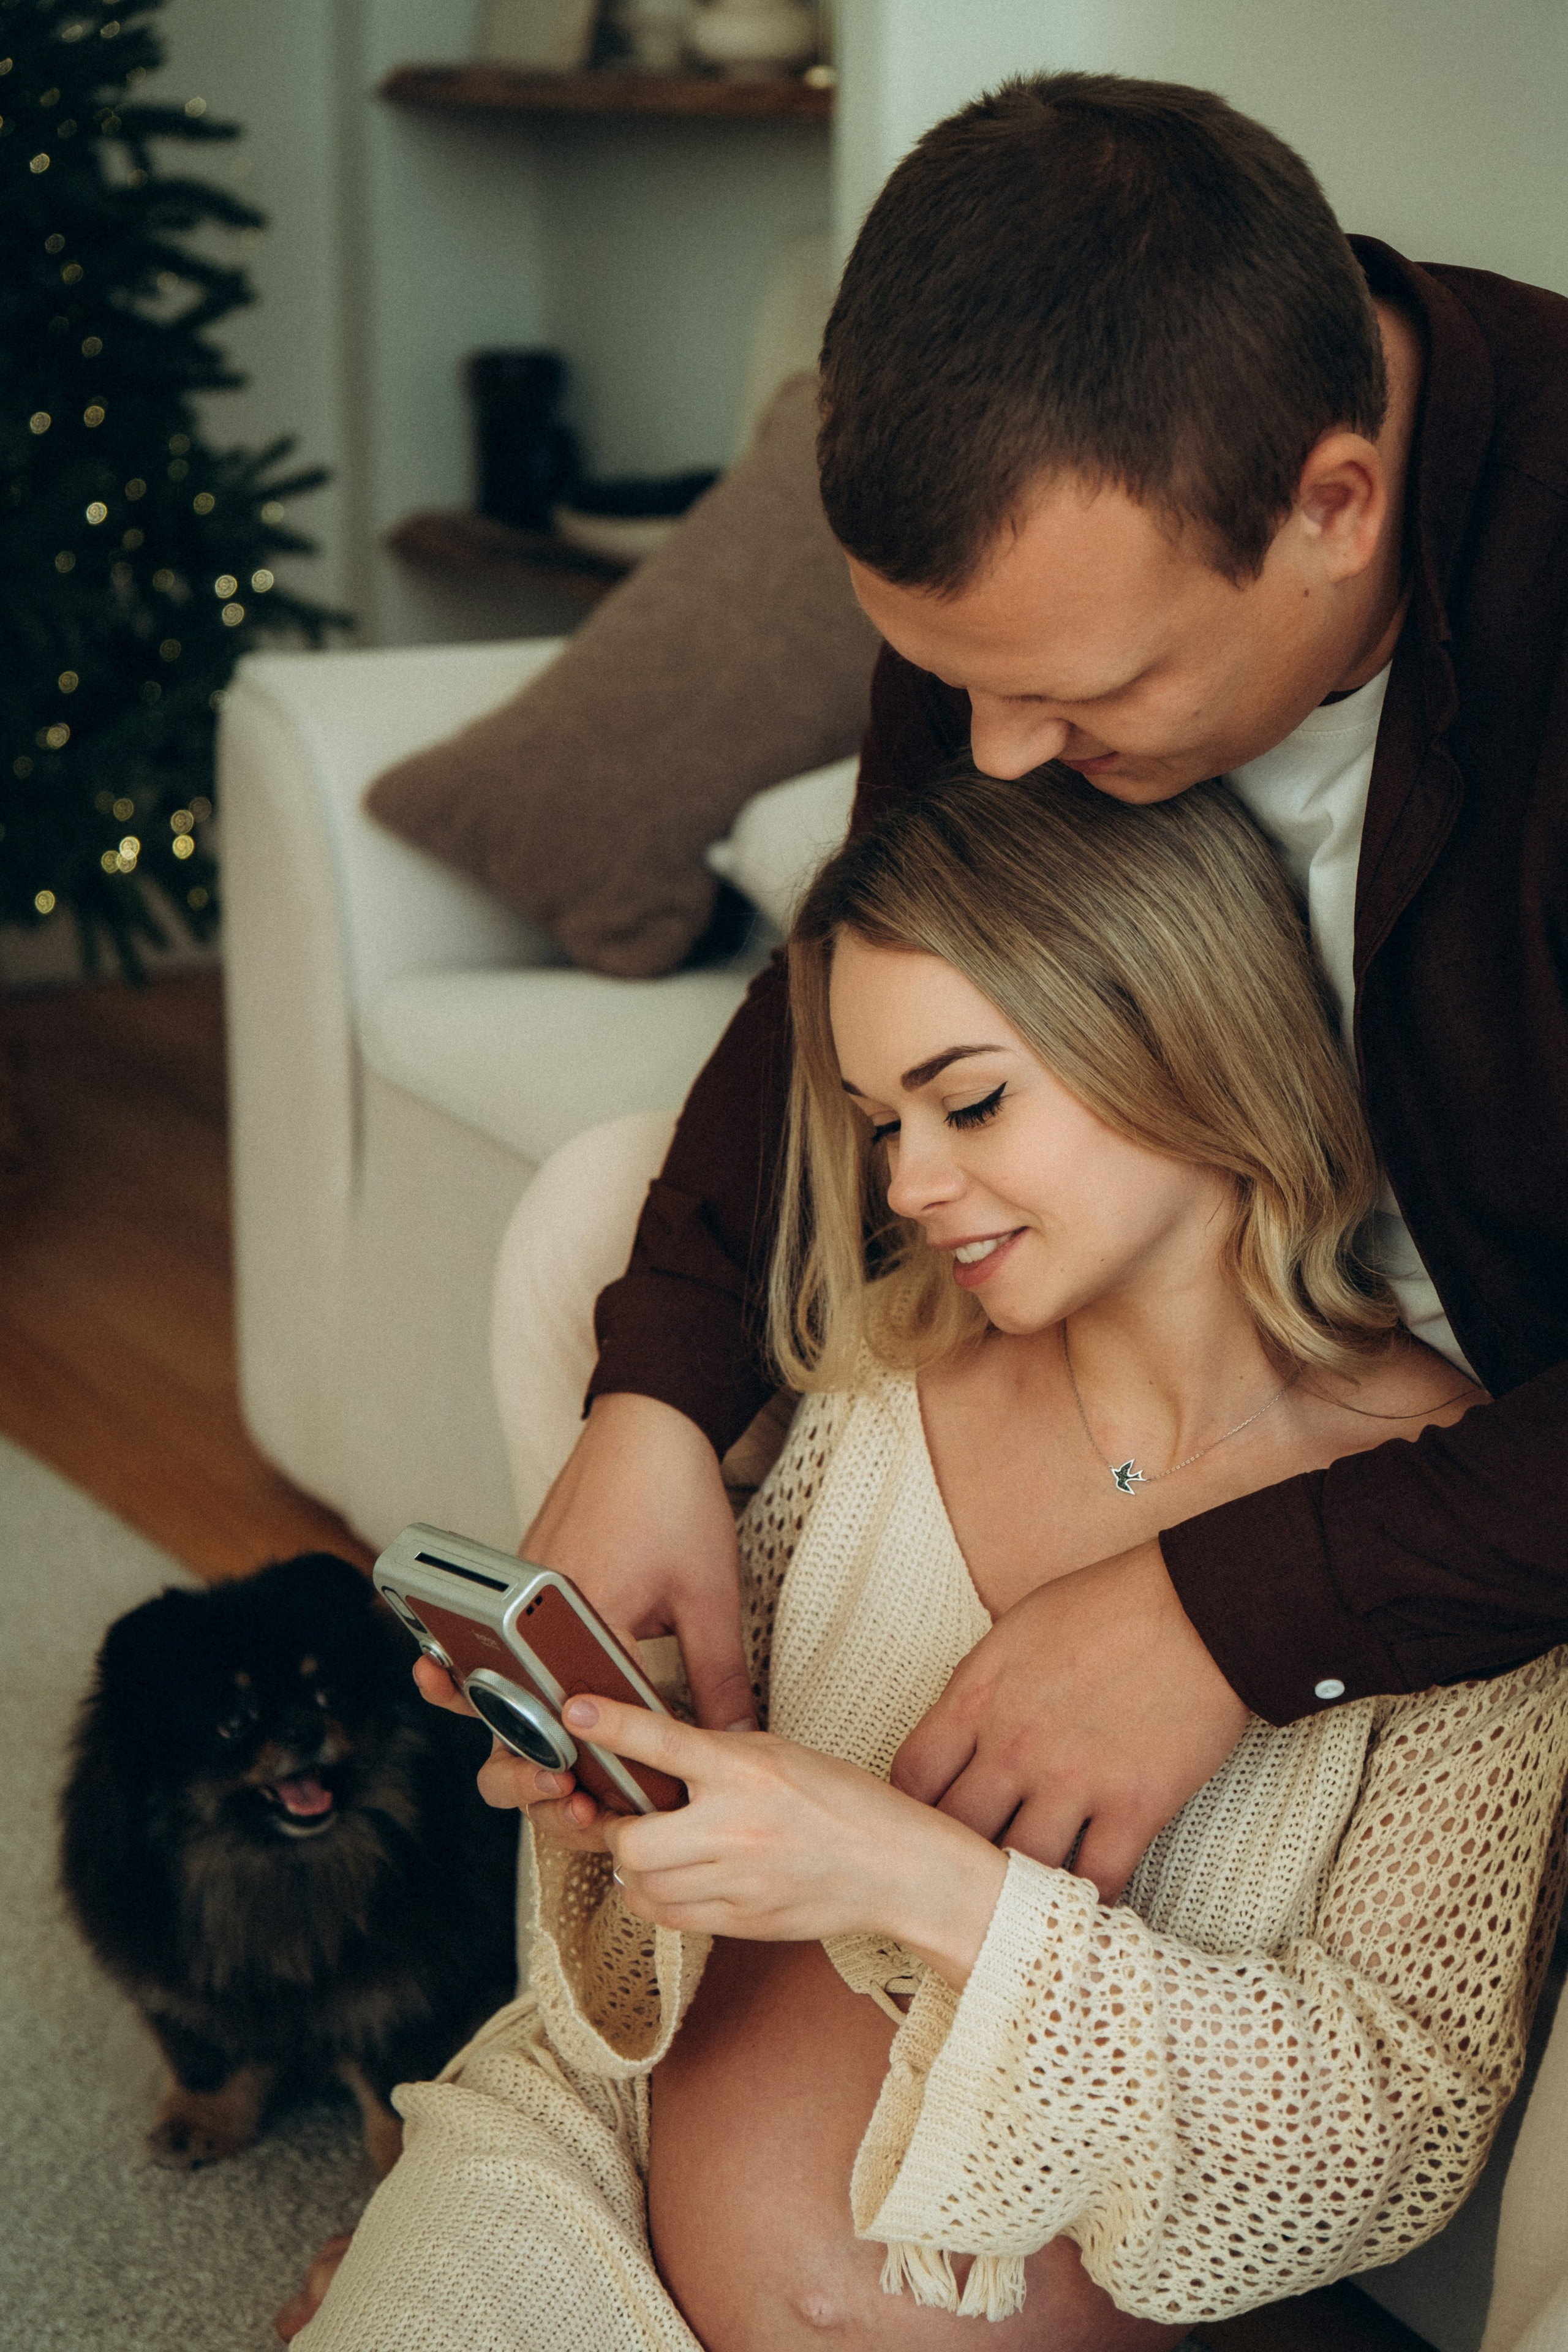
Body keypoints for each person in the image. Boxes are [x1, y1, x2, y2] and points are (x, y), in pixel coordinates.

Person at [294, 768, 1568, 2350]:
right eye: (879, 1122)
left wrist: (917, 1881)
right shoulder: (877, 1374)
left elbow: (1382, 2138)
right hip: (576, 2199)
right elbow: (657, 1959)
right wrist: (630, 1801)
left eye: (969, 1104)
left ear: (1189, 1040)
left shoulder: (1461, 1537)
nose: (908, 1185)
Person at [514, 72, 1568, 1896]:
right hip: (1201, 1279)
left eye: (1081, 696)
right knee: (596, 1240)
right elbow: (884, 965)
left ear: (1336, 505)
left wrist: (1222, 1616)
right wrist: (656, 1403)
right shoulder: (1030, 614)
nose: (992, 758)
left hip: (1511, 1379)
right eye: (949, 682)